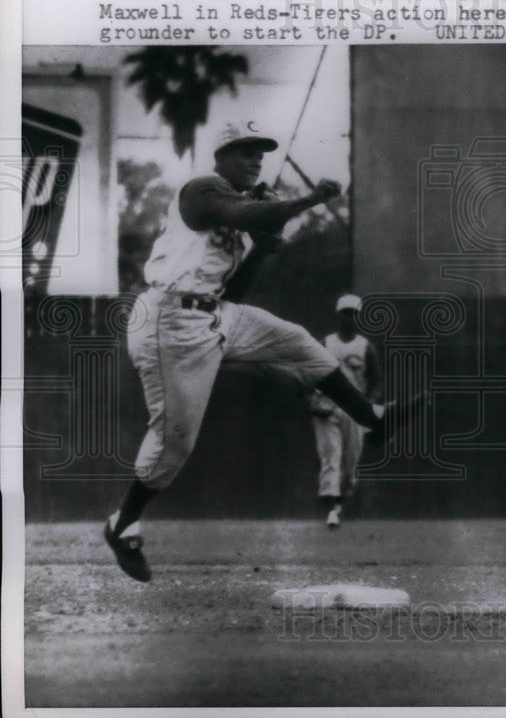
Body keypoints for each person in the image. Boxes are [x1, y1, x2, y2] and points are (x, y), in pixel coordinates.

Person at [104, 120, 421, 582]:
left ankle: (373, 418)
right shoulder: (202, 189)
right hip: (169, 321)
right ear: (221, 157)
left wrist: (260, 249)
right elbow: (250, 214)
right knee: (176, 443)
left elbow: (234, 293)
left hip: (216, 313)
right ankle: (123, 523)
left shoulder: (238, 210)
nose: (256, 159)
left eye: (261, 152)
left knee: (299, 344)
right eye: (246, 150)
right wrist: (305, 201)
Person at [308, 294, 381, 528]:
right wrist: (312, 398)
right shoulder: (326, 343)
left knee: (350, 466)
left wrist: (369, 404)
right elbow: (310, 373)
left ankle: (339, 504)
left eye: (354, 313)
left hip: (355, 409)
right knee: (331, 457)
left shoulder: (365, 347)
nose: (350, 317)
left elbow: (376, 381)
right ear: (338, 315)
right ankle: (331, 510)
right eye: (346, 313)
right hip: (328, 407)